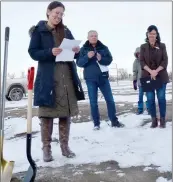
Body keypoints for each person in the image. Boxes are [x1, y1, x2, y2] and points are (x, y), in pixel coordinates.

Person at [28, 1, 85, 162]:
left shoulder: (66, 31)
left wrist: (76, 51)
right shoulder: (39, 31)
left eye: (61, 14)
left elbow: (75, 53)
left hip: (66, 75)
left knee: (65, 114)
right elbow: (33, 52)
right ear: (48, 12)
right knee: (47, 114)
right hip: (48, 77)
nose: (58, 16)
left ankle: (65, 147)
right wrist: (49, 51)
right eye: (56, 13)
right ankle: (46, 149)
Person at [77, 30, 124, 130]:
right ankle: (96, 124)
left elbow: (109, 60)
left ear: (97, 37)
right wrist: (87, 57)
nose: (94, 37)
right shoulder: (83, 49)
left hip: (103, 78)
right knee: (93, 102)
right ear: (88, 37)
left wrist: (101, 58)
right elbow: (79, 63)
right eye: (91, 36)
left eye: (95, 36)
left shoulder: (103, 47)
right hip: (90, 79)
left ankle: (114, 121)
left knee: (110, 100)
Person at [140, 25, 169, 128]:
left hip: (160, 75)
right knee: (150, 99)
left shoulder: (162, 46)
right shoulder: (143, 47)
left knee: (161, 98)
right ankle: (153, 119)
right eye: (150, 33)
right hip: (148, 76)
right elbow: (142, 61)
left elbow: (165, 61)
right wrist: (150, 71)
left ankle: (162, 119)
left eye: (154, 34)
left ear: (157, 35)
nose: (152, 36)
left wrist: (156, 71)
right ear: (147, 35)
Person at [133, 47, 149, 115]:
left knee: (148, 95)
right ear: (136, 54)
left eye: (140, 53)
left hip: (147, 81)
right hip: (140, 82)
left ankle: (149, 108)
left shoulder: (146, 60)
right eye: (138, 54)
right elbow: (135, 72)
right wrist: (134, 81)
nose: (139, 55)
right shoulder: (135, 62)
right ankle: (140, 109)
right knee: (140, 96)